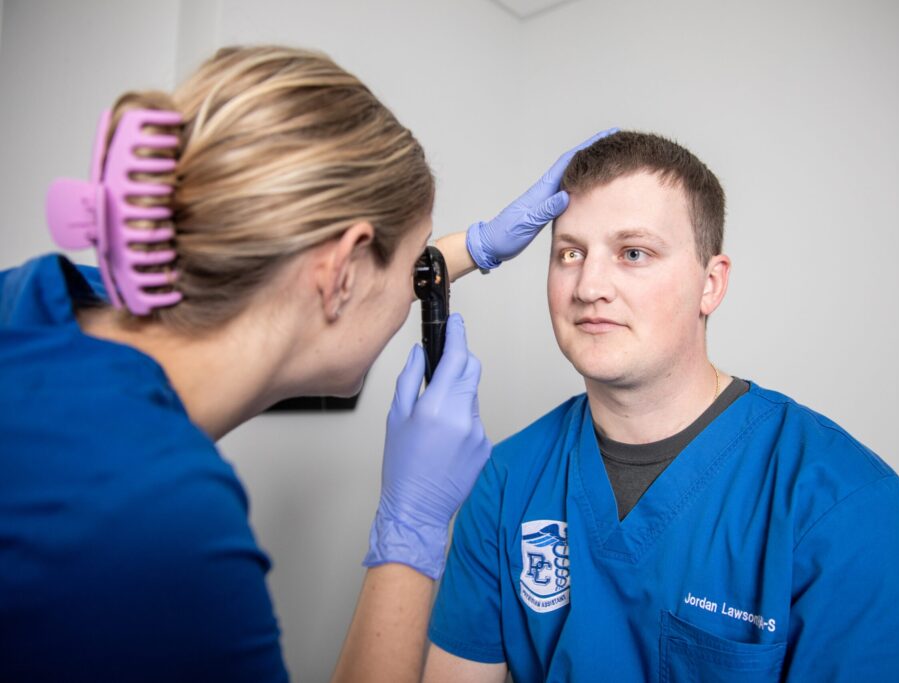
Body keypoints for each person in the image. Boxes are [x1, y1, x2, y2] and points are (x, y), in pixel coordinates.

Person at [0, 45, 611, 682]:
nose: (416, 284)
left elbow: (280, 280)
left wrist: (478, 246)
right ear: (340, 271)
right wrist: (413, 527)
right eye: (413, 260)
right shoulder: (159, 522)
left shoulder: (43, 297)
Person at [425, 131, 899, 682]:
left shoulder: (839, 497)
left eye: (633, 253)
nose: (588, 285)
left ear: (711, 284)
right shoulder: (507, 480)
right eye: (570, 253)